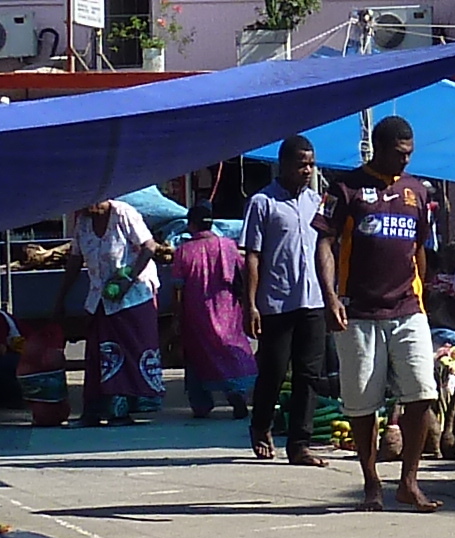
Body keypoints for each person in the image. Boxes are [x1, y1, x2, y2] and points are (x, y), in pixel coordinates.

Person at [323, 113, 442, 512]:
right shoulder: (346, 188)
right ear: (379, 148)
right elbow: (325, 244)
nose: (406, 161)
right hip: (358, 313)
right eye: (399, 153)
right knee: (362, 404)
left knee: (423, 392)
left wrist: (423, 298)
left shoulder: (418, 192)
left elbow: (419, 247)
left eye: (410, 153)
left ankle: (409, 481)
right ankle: (371, 481)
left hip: (409, 310)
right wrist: (331, 298)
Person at [241, 137, 330, 465]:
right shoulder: (263, 203)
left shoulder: (316, 202)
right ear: (284, 165)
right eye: (301, 164)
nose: (307, 170)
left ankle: (300, 444)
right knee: (274, 371)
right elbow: (252, 256)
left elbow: (325, 250)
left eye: (311, 164)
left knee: (309, 374)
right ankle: (261, 425)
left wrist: (331, 294)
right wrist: (250, 304)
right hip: (276, 302)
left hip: (313, 300)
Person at [72, 193, 162, 425]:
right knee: (97, 353)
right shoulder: (82, 222)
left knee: (129, 351)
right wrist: (60, 299)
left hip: (133, 296)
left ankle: (122, 411)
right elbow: (75, 259)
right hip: (101, 297)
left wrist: (128, 279)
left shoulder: (123, 213)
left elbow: (149, 247)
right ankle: (93, 411)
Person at [166, 215, 254, 422]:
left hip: (196, 312)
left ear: (191, 224)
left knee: (197, 356)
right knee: (229, 350)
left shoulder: (183, 251)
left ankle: (201, 403)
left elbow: (178, 287)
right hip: (228, 309)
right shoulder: (228, 246)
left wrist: (176, 316)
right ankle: (235, 394)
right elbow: (244, 271)